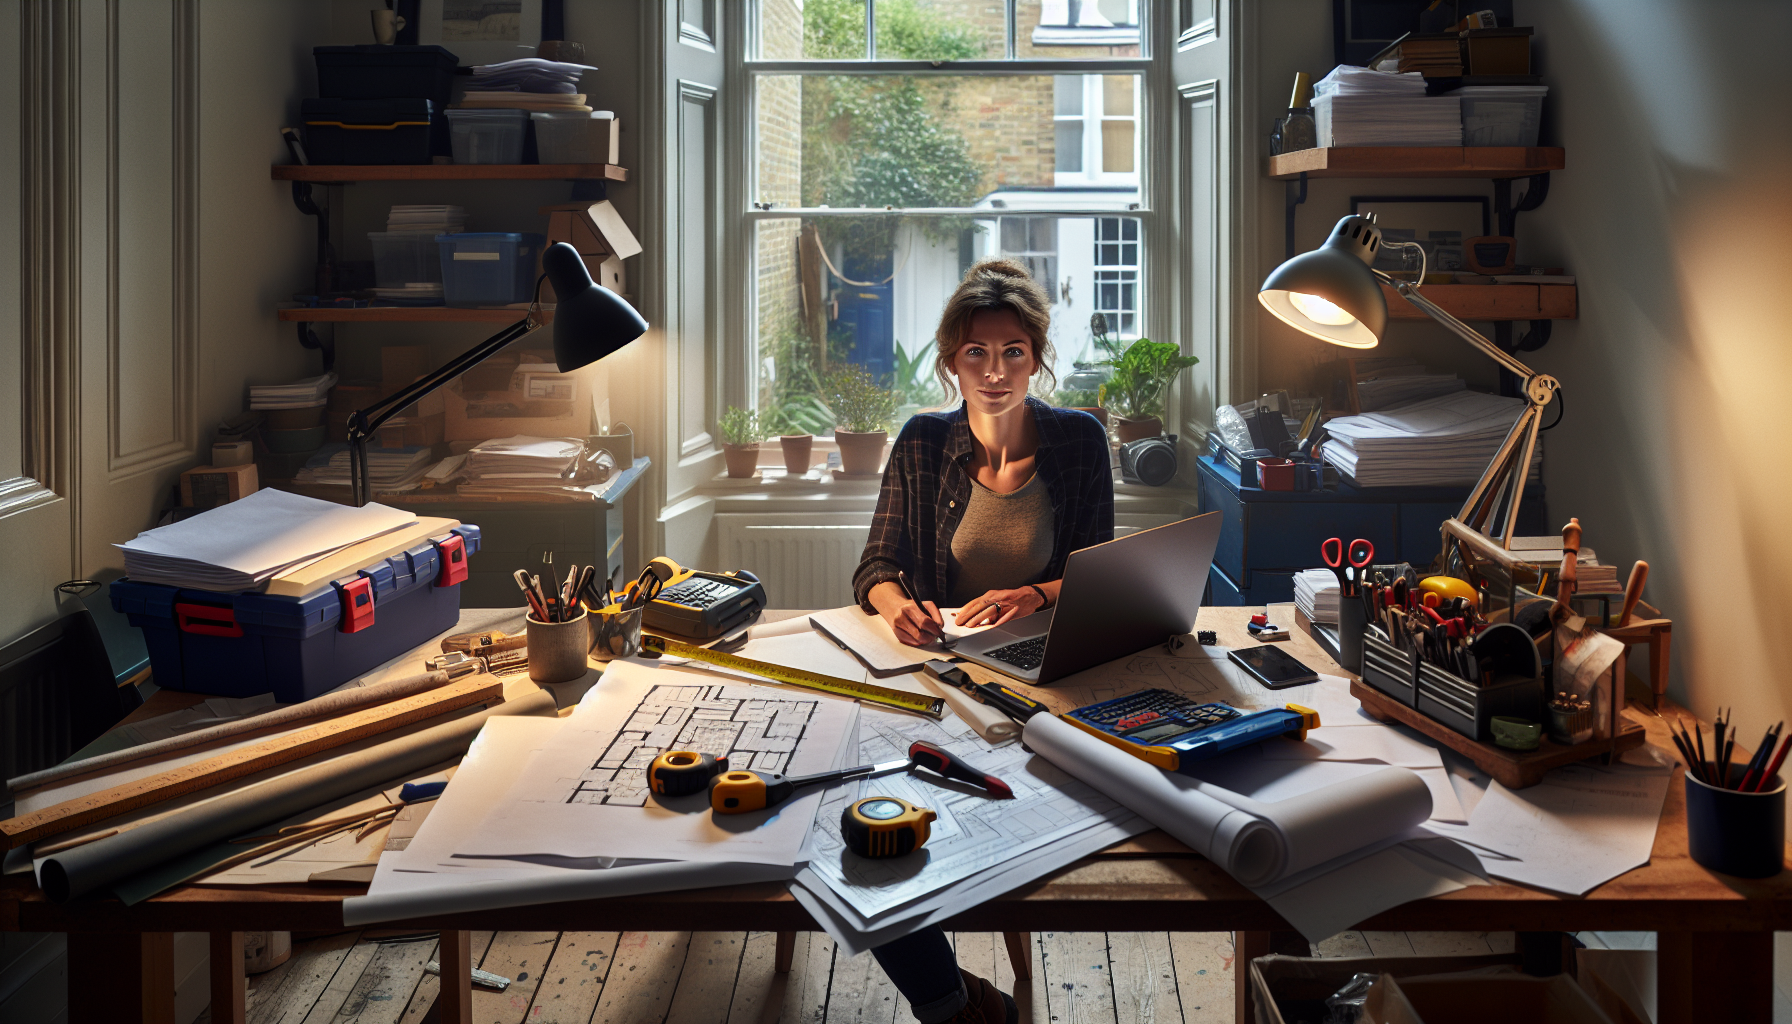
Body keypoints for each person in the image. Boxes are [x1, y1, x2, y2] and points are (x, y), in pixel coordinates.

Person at [849, 259, 1114, 1024]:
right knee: (870, 819)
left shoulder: (1079, 440)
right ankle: (955, 1004)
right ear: (950, 361)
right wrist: (899, 608)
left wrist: (1036, 594)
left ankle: (953, 1003)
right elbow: (874, 568)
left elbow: (1097, 572)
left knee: (1039, 813)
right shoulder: (923, 441)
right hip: (939, 673)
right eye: (976, 354)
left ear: (1037, 358)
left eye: (1012, 353)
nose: (994, 373)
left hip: (1046, 673)